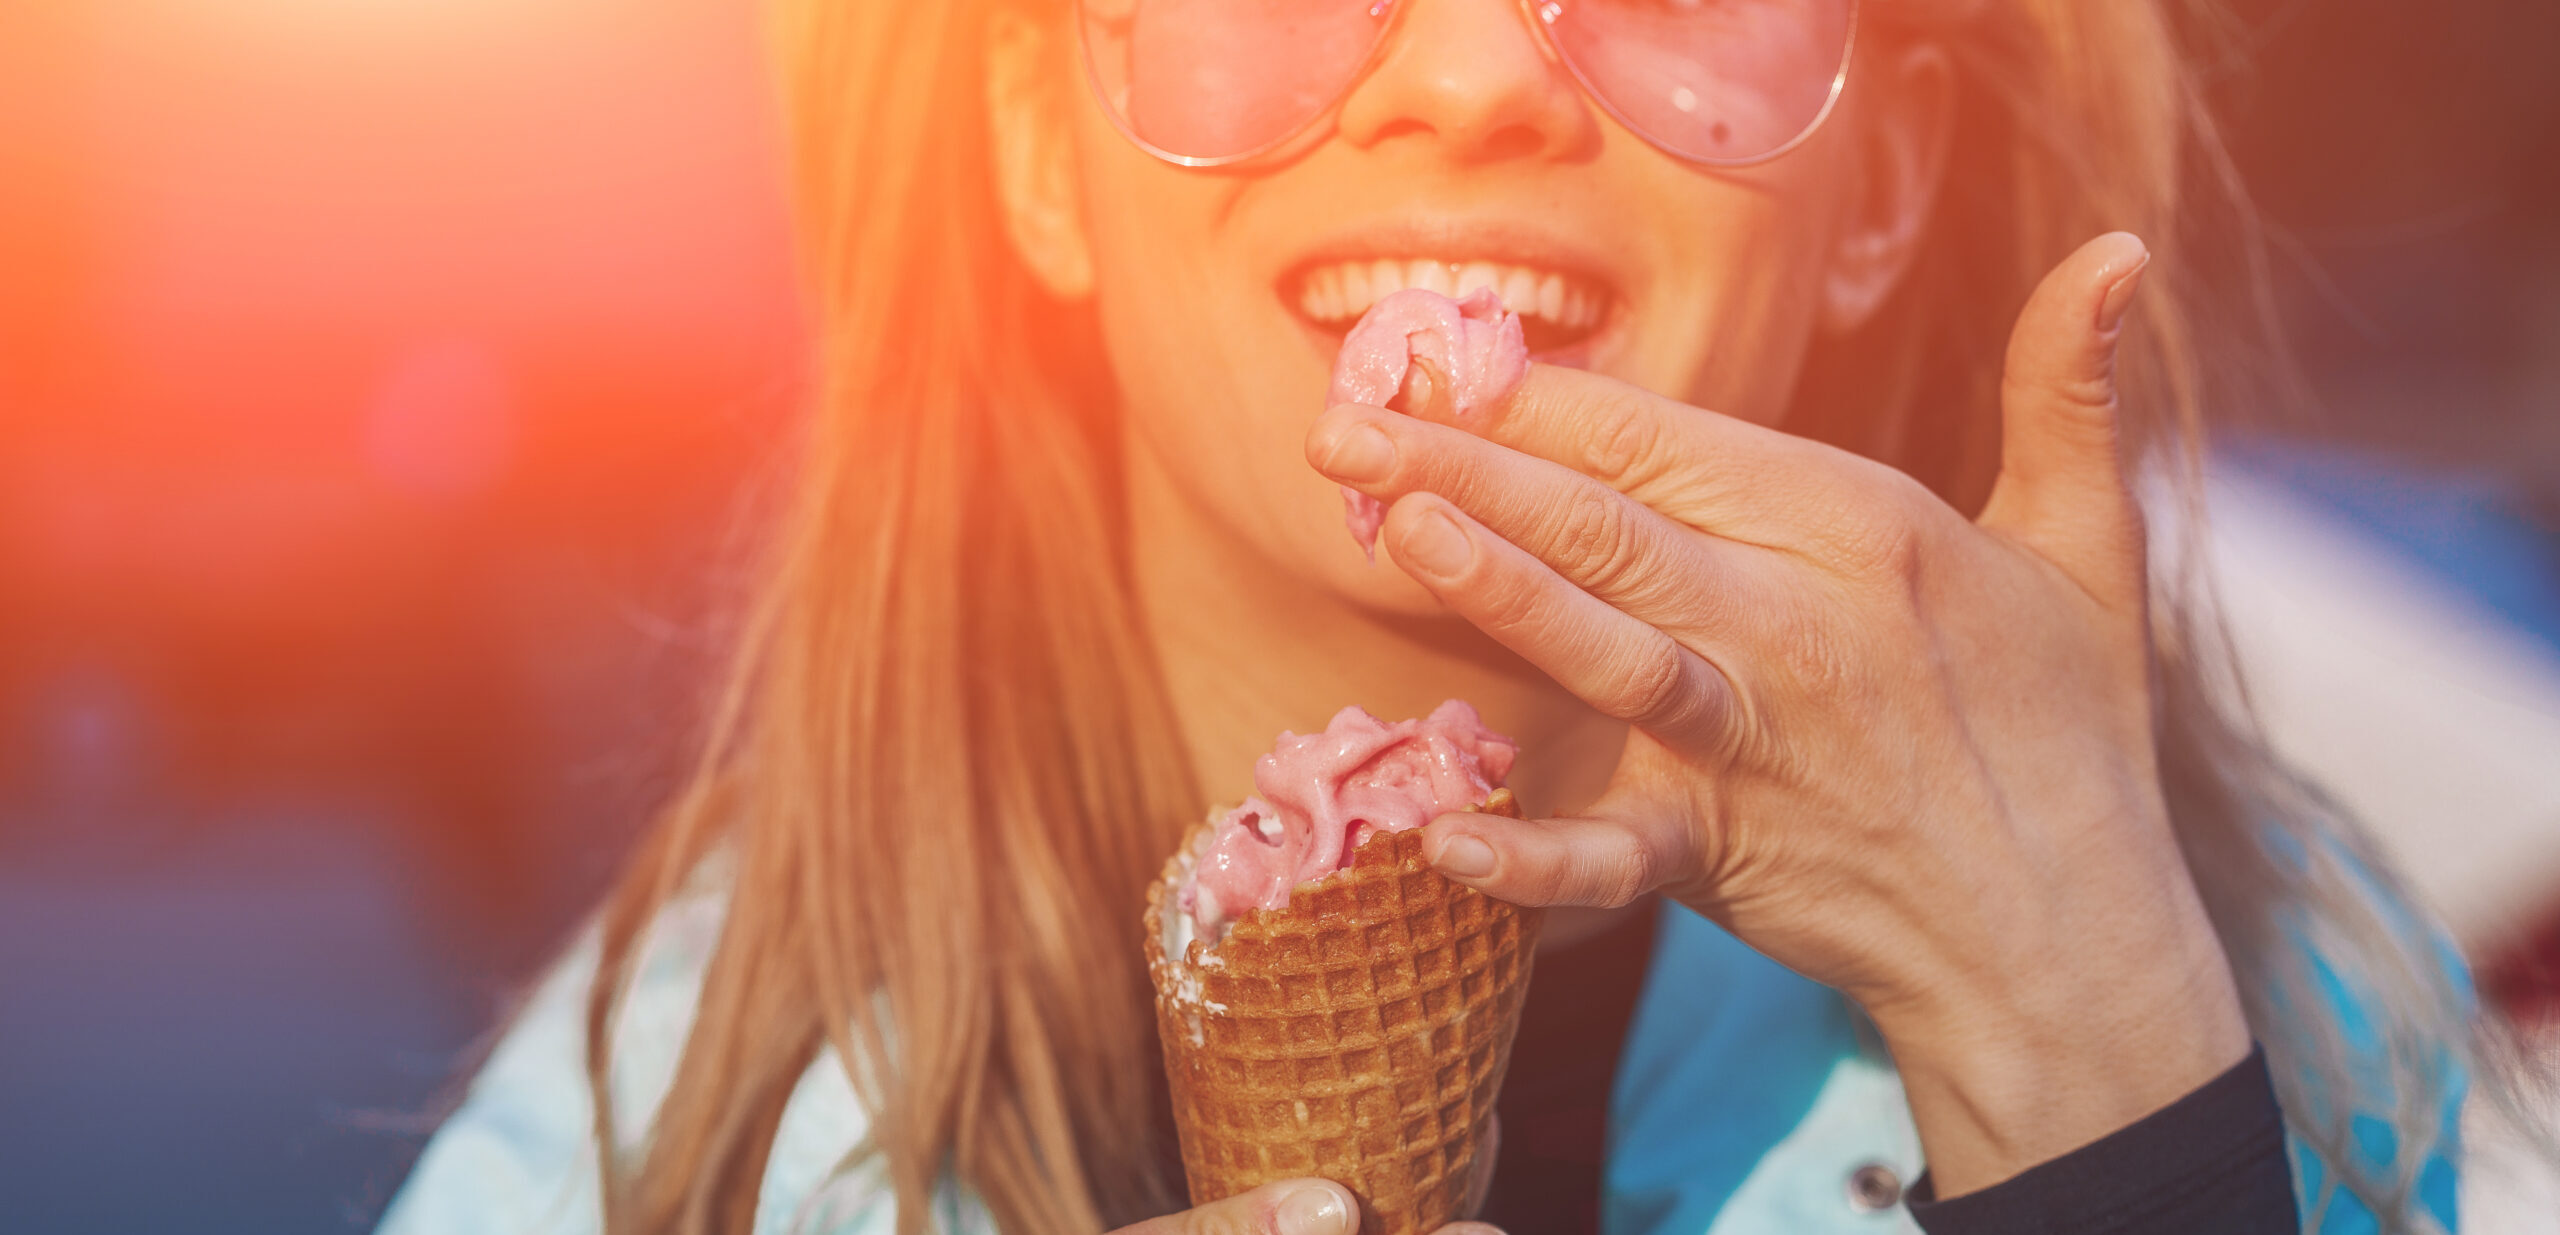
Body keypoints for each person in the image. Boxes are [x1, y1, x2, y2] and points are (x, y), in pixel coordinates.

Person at [377, 1, 2482, 1233]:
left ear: (1889, 189)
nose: (1476, 73)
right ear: (1035, 143)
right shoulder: (628, 1155)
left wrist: (2103, 1082)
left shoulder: (2296, 1025)